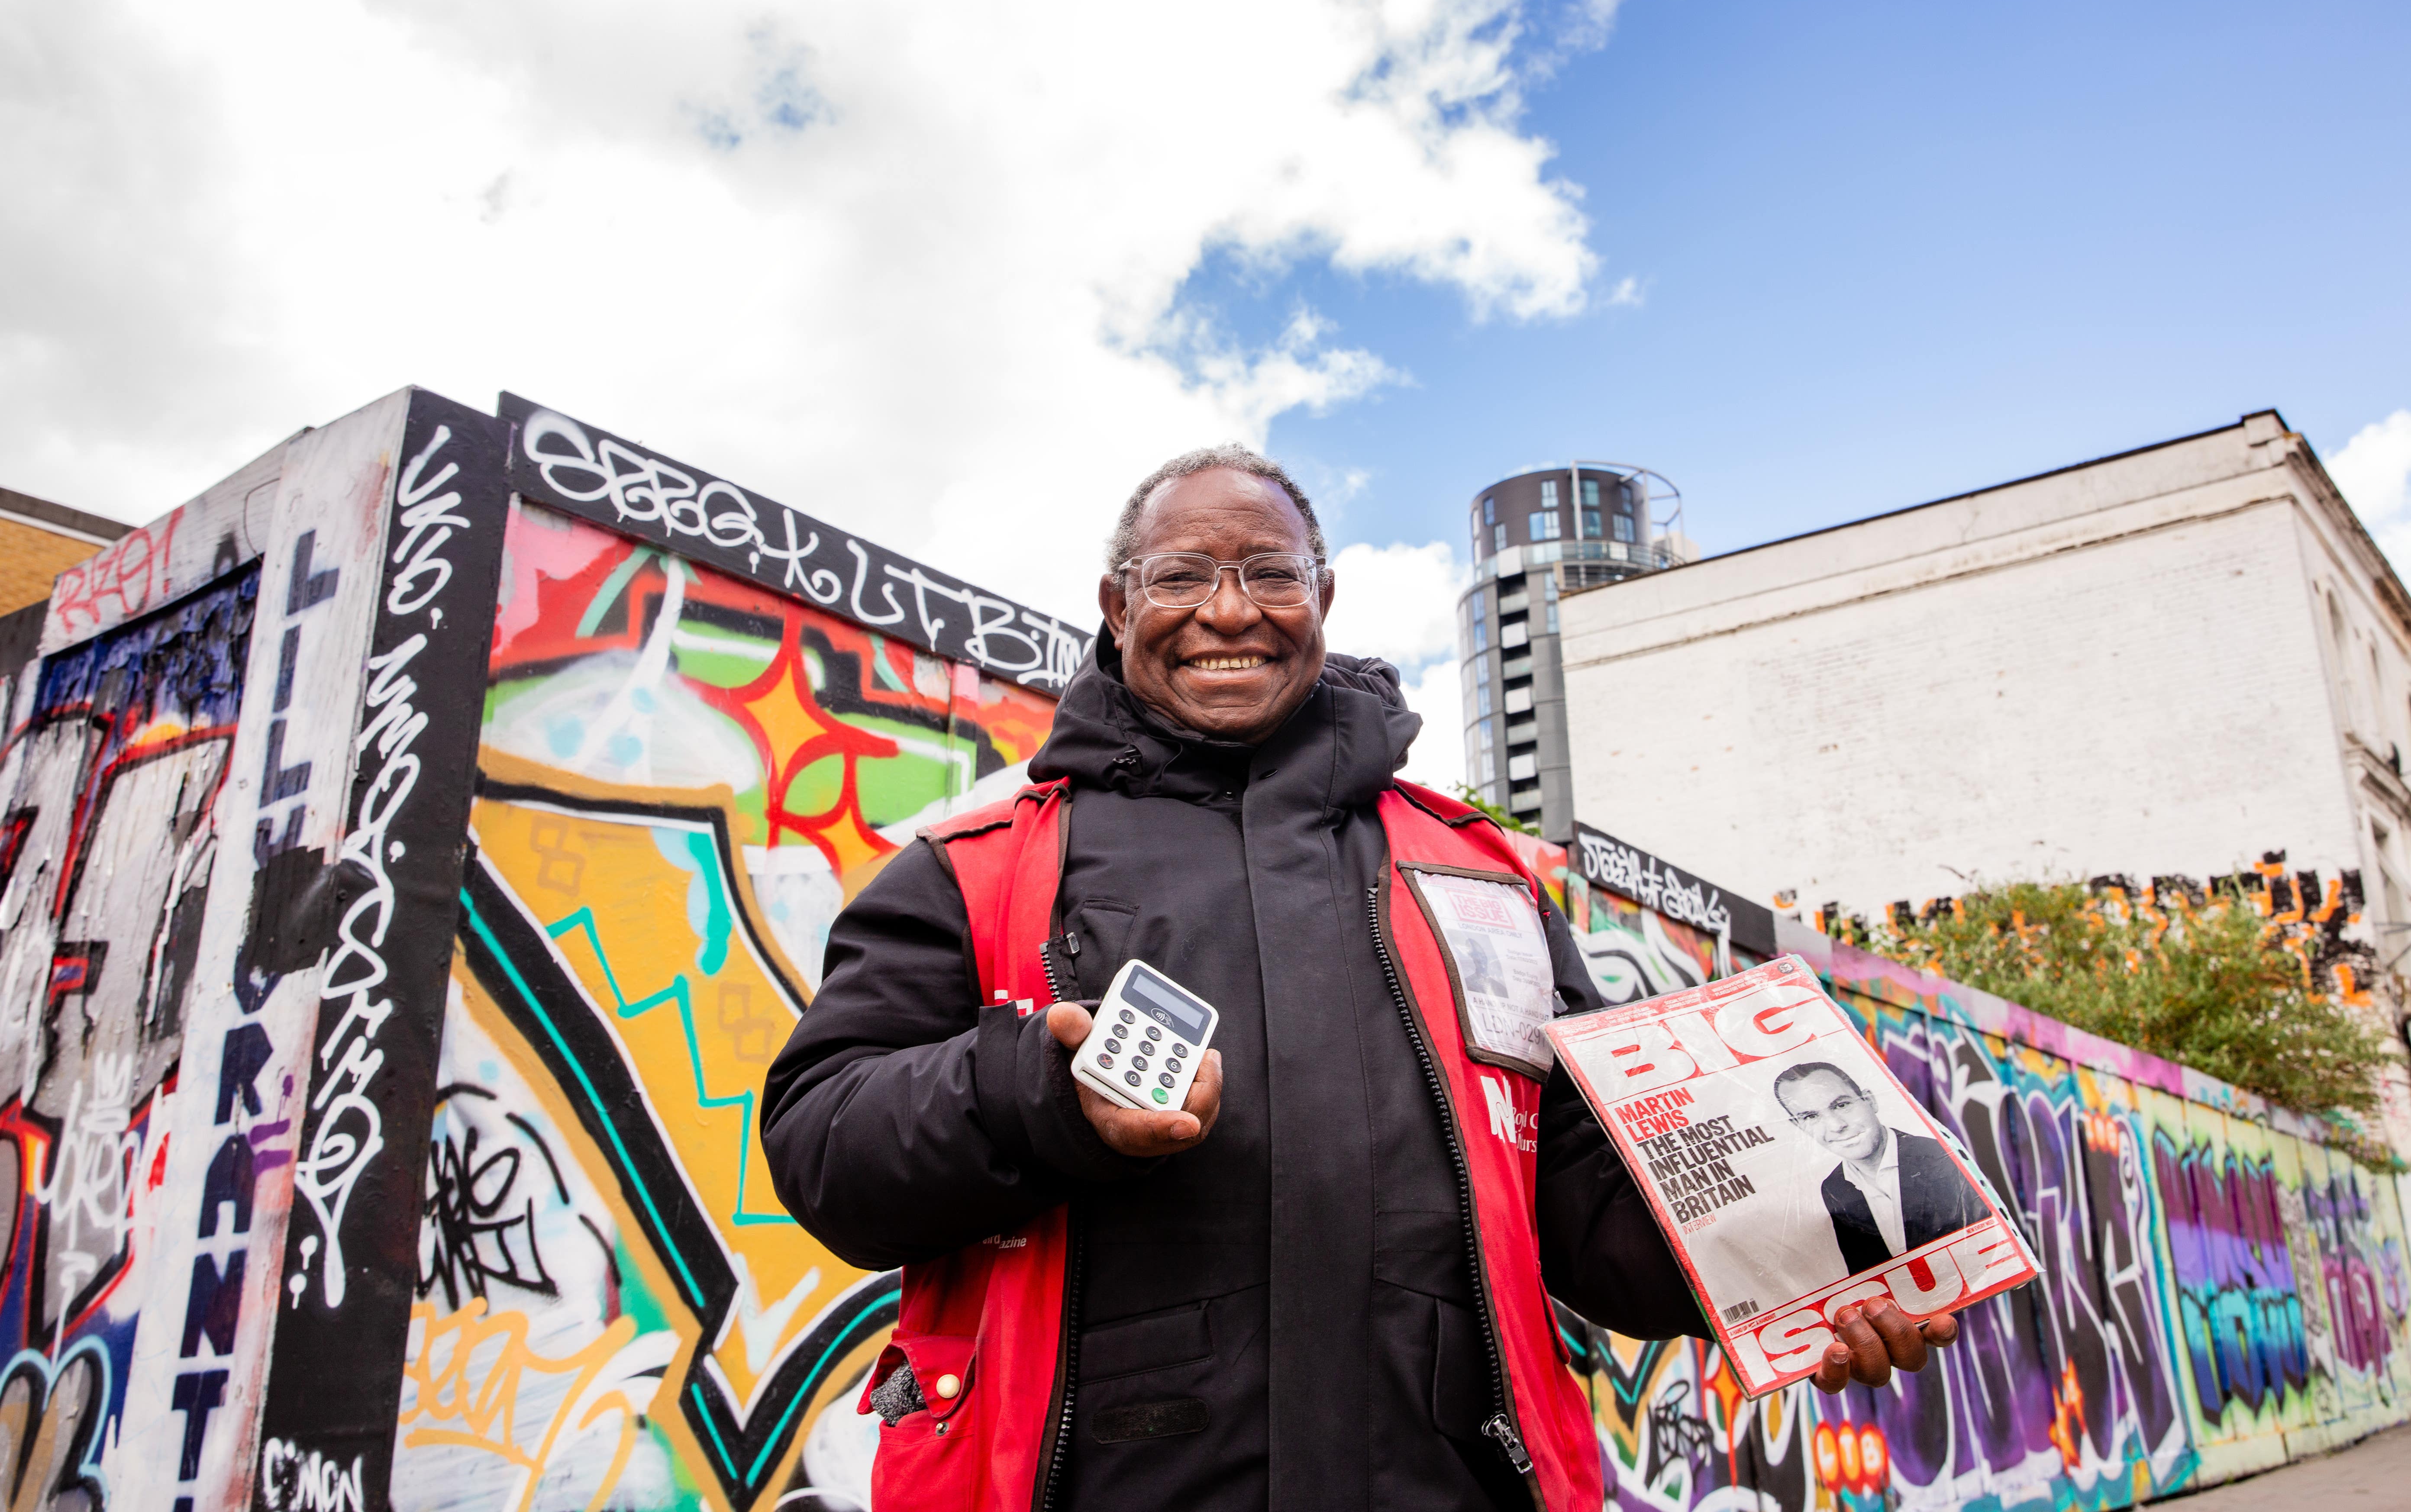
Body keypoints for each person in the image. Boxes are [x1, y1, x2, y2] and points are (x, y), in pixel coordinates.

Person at [761, 448, 1954, 1512]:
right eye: (1181, 577)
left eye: (1271, 575)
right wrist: (1038, 1094)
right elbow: (821, 1149)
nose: (1229, 611)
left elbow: (1588, 1197)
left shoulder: (1484, 878)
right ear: (1119, 606)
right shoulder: (971, 873)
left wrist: (1798, 1271)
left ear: (1321, 600)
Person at [1771, 1060, 1990, 1277]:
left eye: (1842, 1105)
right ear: (1799, 1126)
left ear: (1870, 1101)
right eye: (1811, 1116)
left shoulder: (1939, 1156)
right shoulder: (1834, 1187)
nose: (1836, 1126)